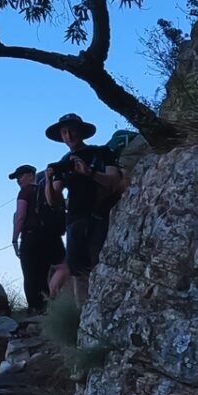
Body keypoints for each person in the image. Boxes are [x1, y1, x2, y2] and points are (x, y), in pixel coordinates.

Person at [43, 114, 123, 307]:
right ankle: (84, 318)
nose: (68, 135)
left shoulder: (101, 153)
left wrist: (89, 172)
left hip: (100, 216)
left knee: (99, 266)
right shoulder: (64, 162)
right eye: (64, 132)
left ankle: (103, 311)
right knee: (78, 272)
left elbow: (114, 181)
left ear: (81, 131)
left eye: (71, 130)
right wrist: (48, 178)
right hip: (74, 221)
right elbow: (53, 199)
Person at [9, 164, 50, 314]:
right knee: (44, 272)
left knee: (30, 272)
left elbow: (20, 216)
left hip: (30, 236)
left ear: (31, 175)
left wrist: (15, 239)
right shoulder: (47, 191)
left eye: (21, 176)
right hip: (48, 237)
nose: (18, 180)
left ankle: (34, 308)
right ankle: (47, 305)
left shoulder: (25, 192)